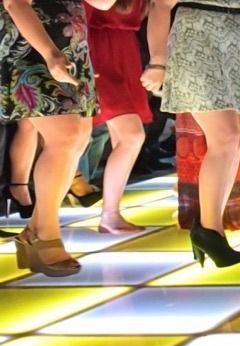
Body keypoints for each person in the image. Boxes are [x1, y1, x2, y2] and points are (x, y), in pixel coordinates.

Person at [142, 0, 240, 268]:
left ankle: (212, 227)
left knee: (238, 138)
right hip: (198, 35)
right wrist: (158, 61)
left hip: (238, 36)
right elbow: (160, 5)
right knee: (227, 137)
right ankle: (209, 230)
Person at [1, 0, 112, 276]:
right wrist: (50, 53)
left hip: (70, 50)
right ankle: (46, 233)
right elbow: (15, 3)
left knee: (77, 140)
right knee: (66, 138)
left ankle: (34, 231)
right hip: (31, 49)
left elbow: (105, 3)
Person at [87, 0, 151, 234]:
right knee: (131, 136)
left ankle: (111, 213)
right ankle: (109, 213)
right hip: (97, 50)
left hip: (125, 53)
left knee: (125, 138)